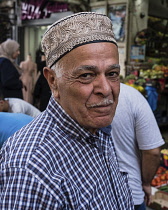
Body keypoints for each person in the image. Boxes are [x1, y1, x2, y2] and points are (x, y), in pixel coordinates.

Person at [0, 12, 134, 209]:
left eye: (112, 74)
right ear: (53, 81)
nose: (106, 89)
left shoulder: (96, 128)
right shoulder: (31, 168)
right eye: (87, 75)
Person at [110, 83, 165, 210]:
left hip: (88, 194)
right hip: (130, 191)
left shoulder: (69, 97)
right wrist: (146, 183)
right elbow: (152, 152)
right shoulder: (131, 95)